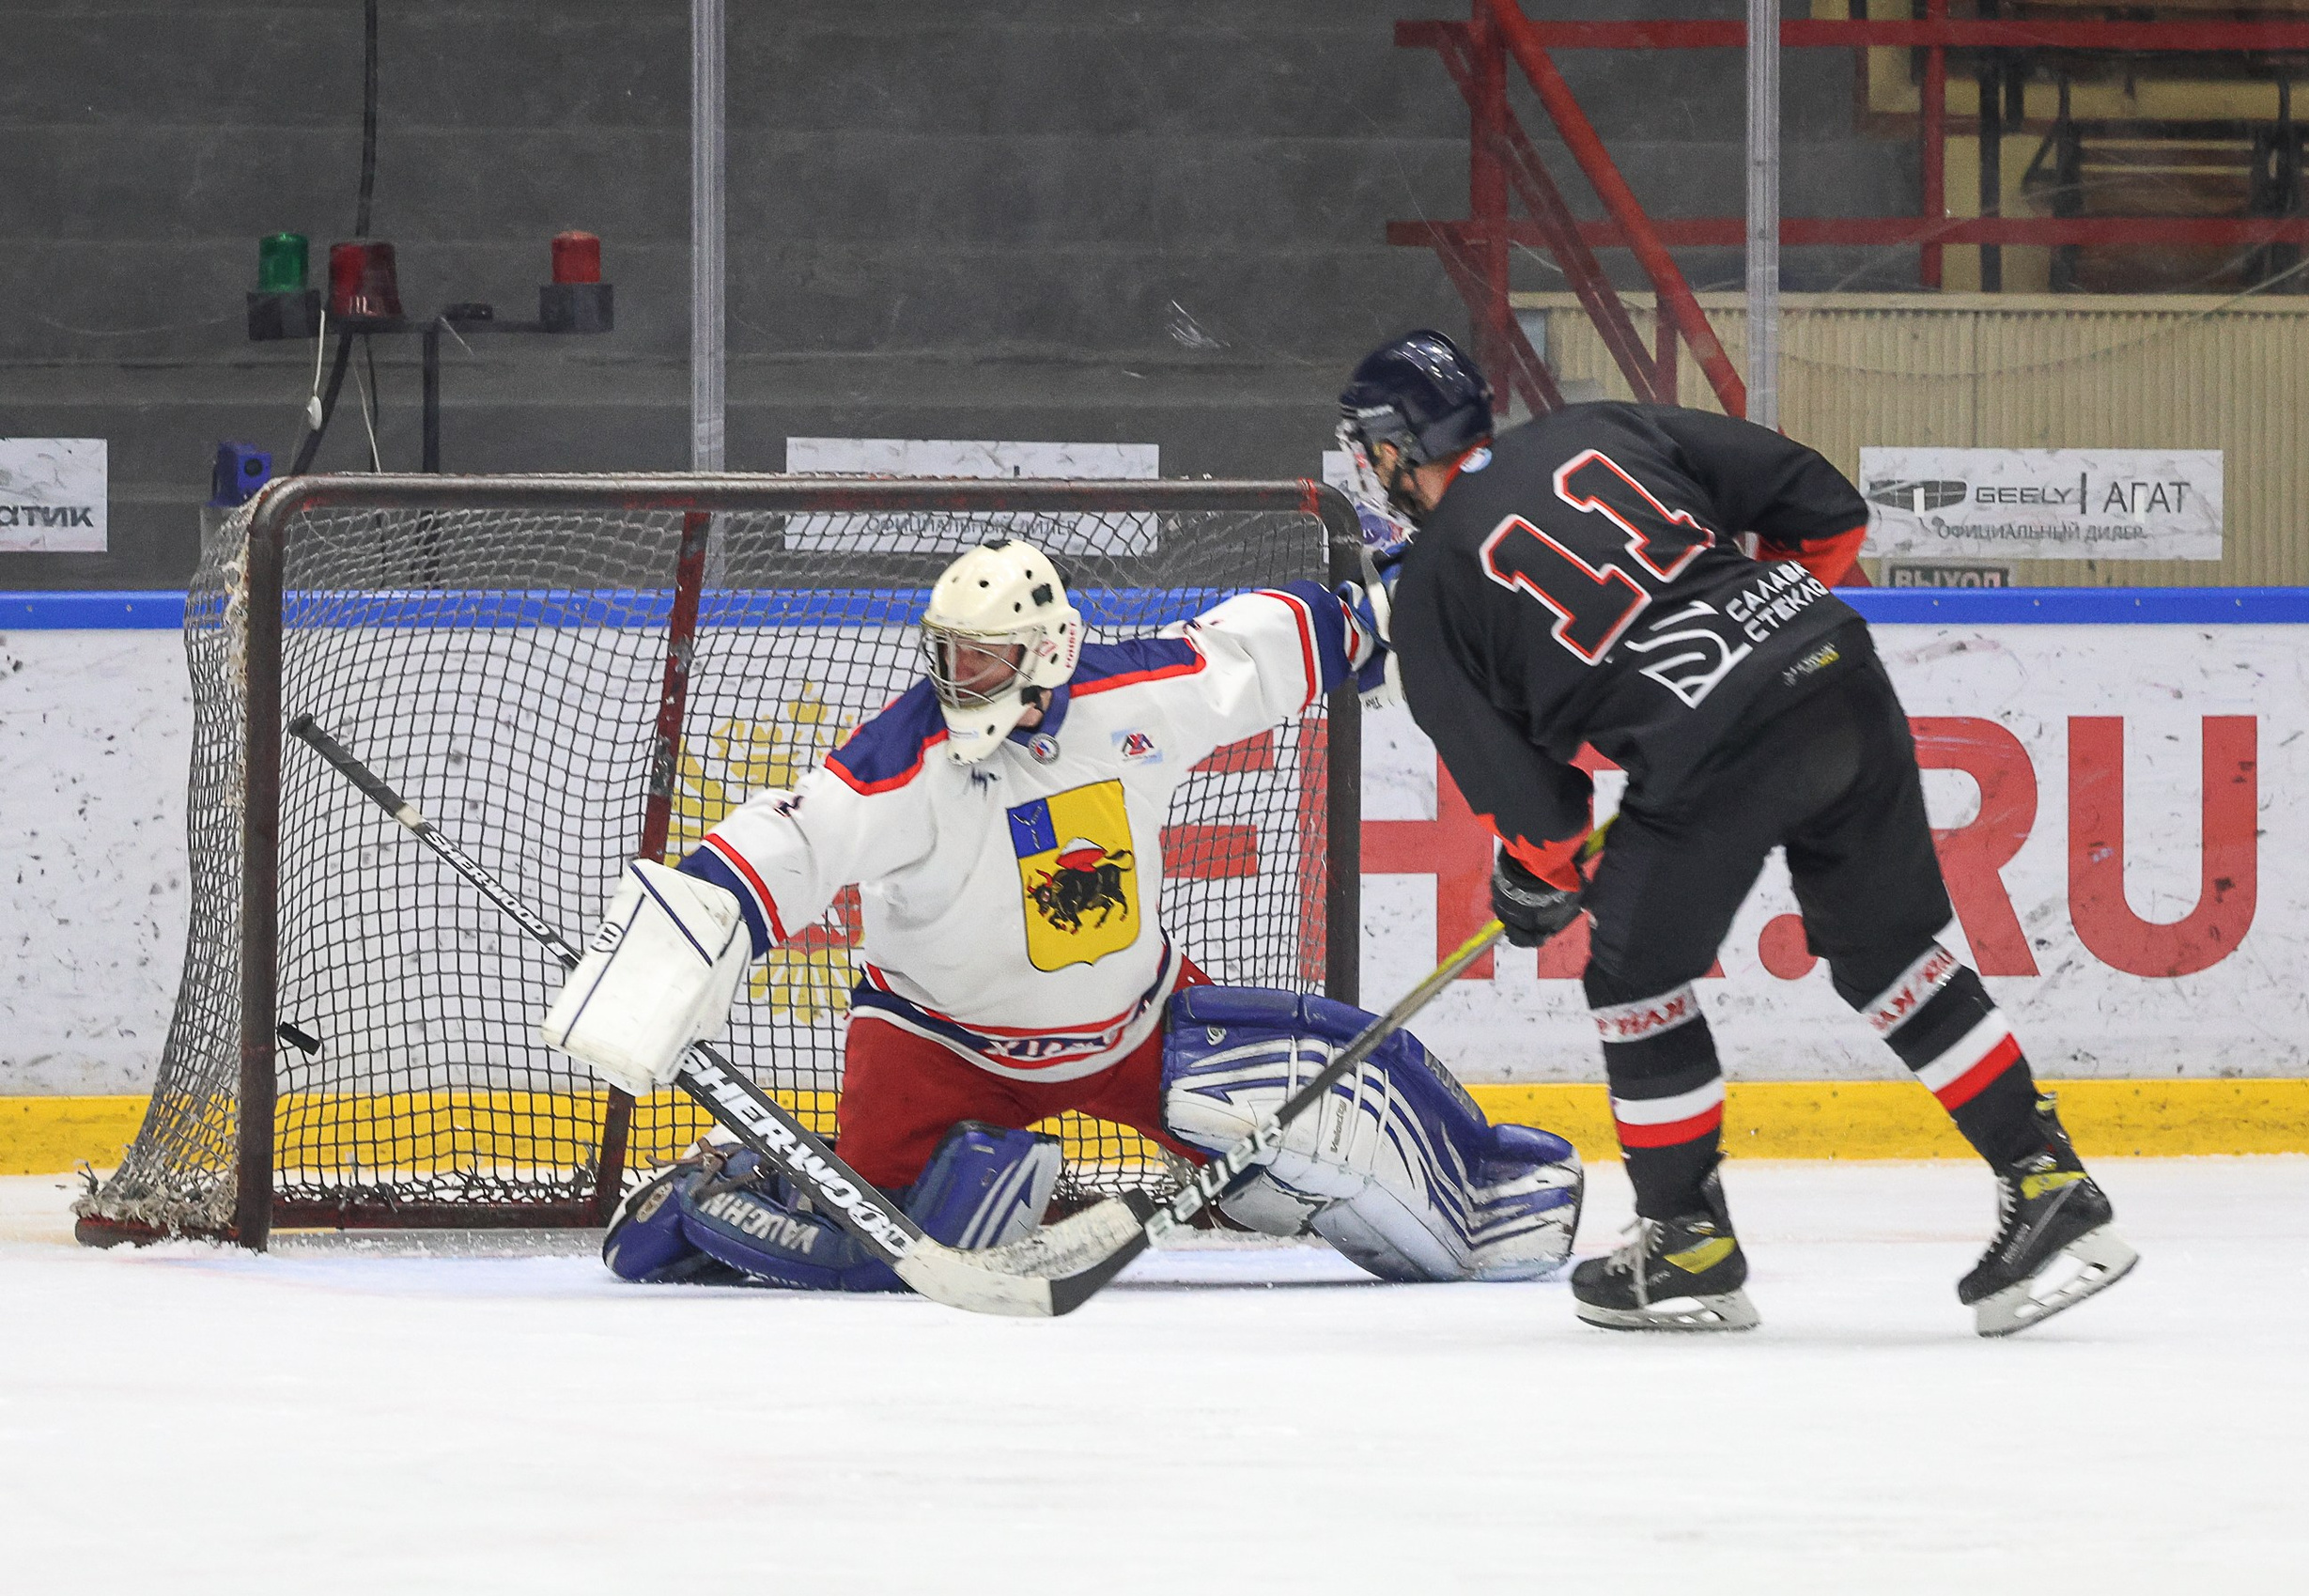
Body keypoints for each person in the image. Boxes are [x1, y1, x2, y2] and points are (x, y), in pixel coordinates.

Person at [1334, 330, 2137, 1337]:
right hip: (1833, 665)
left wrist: (1533, 882)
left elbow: (1538, 817)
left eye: (1368, 449)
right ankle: (2048, 1181)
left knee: (1632, 974)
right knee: (1886, 955)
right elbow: (1826, 507)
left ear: (1398, 447)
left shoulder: (1432, 597)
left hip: (1715, 743)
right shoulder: (1599, 426)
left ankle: (1685, 1245)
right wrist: (1759, 637)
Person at [540, 536, 1585, 1291]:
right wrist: (670, 949)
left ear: (1042, 652)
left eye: (981, 658)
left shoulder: (1135, 699)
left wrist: (1396, 609)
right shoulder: (901, 763)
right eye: (946, 654)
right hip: (937, 1051)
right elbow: (791, 843)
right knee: (884, 1251)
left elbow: (1256, 652)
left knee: (1301, 1133)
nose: (956, 678)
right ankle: (702, 1198)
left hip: (1133, 1026)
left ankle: (1487, 1180)